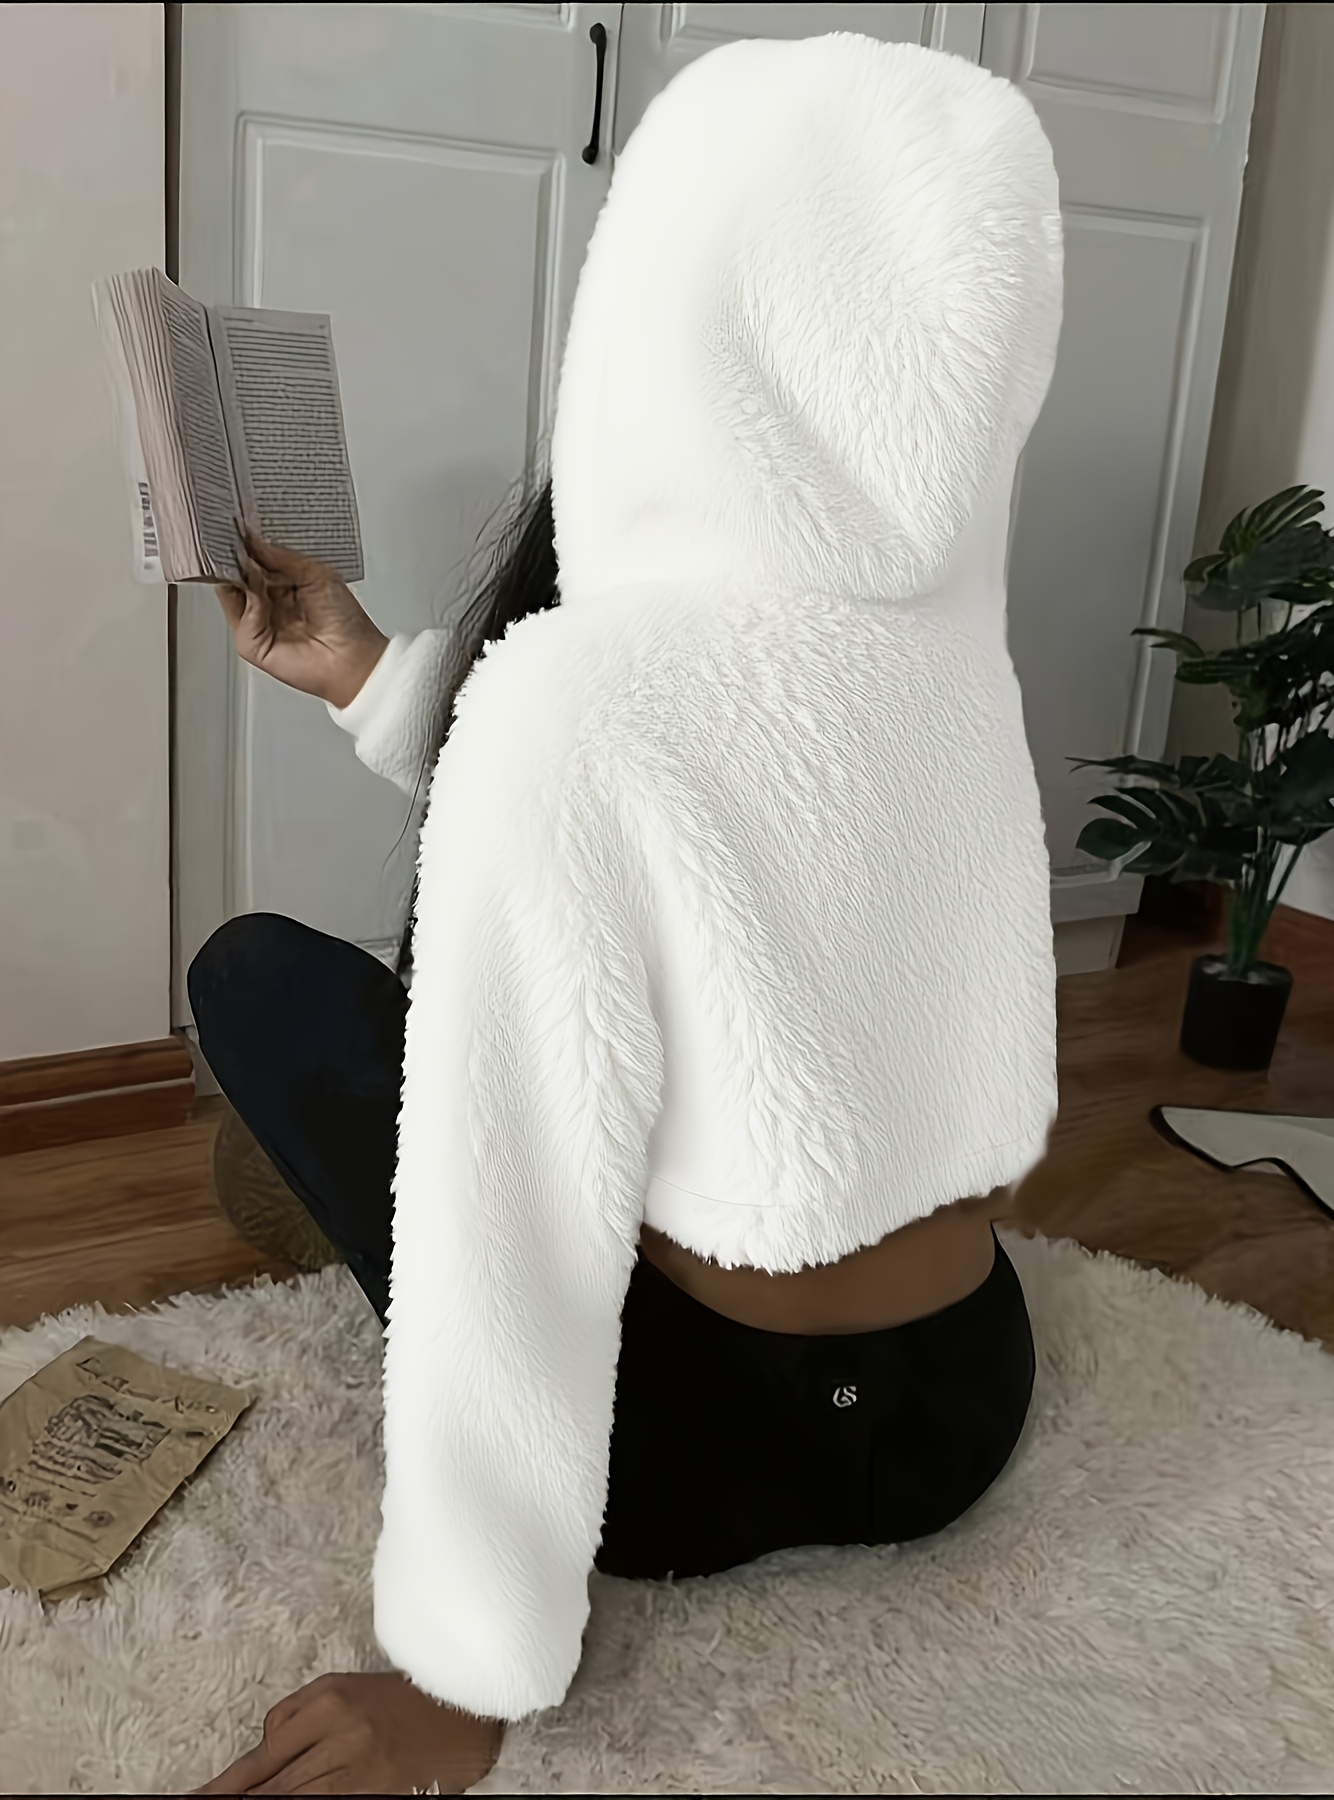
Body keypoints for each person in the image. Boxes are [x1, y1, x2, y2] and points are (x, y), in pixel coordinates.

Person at [191, 32, 1063, 1797]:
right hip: (964, 1408)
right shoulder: (953, 682)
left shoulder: (582, 698)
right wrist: (366, 673)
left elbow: (508, 1220)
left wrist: (461, 1674)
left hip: (686, 1461)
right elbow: (707, 830)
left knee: (262, 982)